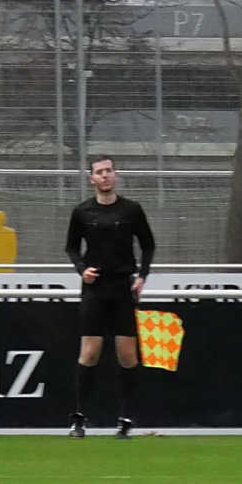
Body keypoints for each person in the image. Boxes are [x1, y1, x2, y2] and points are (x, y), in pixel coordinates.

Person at [64, 156, 156, 439]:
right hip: (95, 290)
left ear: (115, 175)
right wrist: (82, 270)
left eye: (108, 171)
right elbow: (71, 247)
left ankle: (125, 418)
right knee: (90, 352)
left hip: (122, 289)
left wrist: (142, 276)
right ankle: (79, 418)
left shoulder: (131, 210)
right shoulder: (82, 211)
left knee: (127, 354)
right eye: (99, 172)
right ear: (91, 179)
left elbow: (148, 244)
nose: (105, 176)